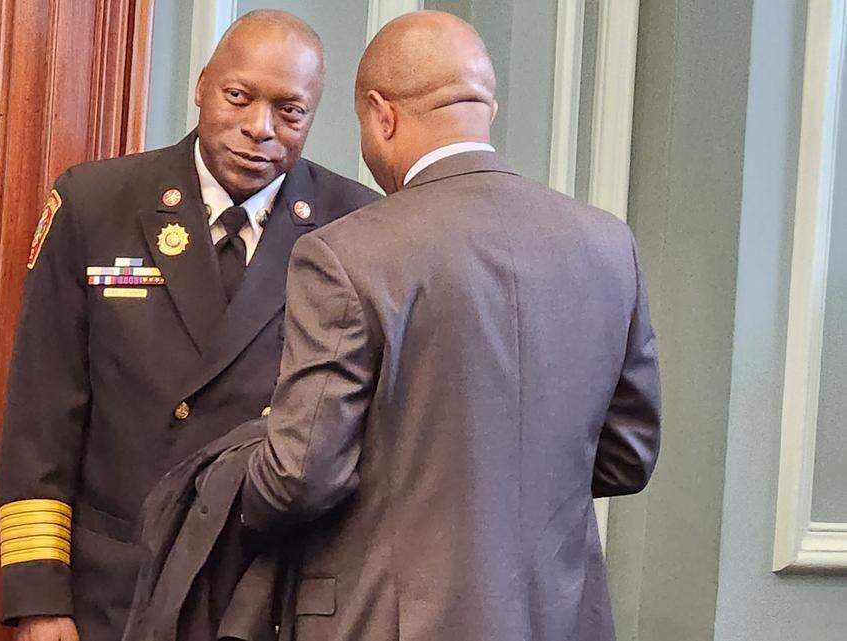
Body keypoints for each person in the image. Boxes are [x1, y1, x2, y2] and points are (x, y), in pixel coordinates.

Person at [240, 10, 661, 641]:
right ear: (485, 106)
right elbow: (628, 457)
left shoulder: (346, 254)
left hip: (382, 621)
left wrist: (216, 493)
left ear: (382, 114)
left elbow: (303, 475)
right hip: (559, 620)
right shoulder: (608, 245)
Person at [0, 10, 378, 641]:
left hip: (270, 590)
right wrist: (40, 596)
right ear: (202, 85)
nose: (259, 128)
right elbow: (42, 411)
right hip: (118, 586)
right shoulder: (98, 203)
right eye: (239, 96)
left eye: (291, 110)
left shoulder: (355, 226)